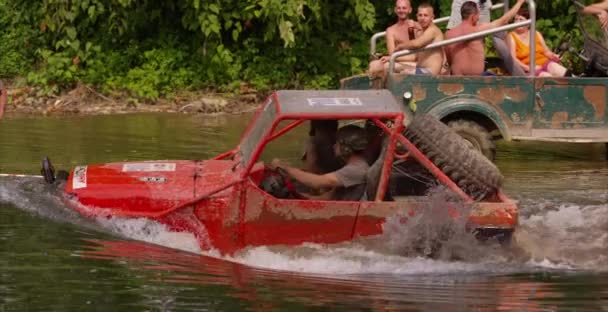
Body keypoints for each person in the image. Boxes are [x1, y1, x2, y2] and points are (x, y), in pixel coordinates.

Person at [271, 125, 369, 201]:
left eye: (338, 143)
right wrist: (294, 196)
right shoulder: (351, 168)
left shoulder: (357, 169)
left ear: (346, 148)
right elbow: (328, 198)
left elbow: (318, 182)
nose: (334, 146)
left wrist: (287, 168)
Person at [445, 0, 526, 76]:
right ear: (473, 17)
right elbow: (504, 20)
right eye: (478, 15)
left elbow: (449, 60)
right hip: (477, 80)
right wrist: (519, 2)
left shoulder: (449, 34)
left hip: (456, 79)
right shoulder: (478, 30)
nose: (479, 17)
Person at [507, 9, 569, 77]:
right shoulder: (512, 36)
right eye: (516, 19)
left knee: (559, 70)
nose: (517, 22)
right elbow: (513, 59)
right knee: (547, 77)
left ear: (528, 23)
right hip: (529, 68)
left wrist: (553, 55)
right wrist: (529, 68)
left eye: (520, 20)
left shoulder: (536, 33)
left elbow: (546, 52)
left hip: (544, 62)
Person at [368, 0, 418, 79]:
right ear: (395, 10)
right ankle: (377, 90)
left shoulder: (416, 26)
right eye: (399, 8)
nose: (401, 10)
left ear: (410, 9)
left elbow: (416, 55)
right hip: (398, 62)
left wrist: (391, 58)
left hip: (416, 63)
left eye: (404, 8)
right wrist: (392, 58)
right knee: (374, 65)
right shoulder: (391, 30)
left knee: (386, 66)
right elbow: (392, 53)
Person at [395, 3, 445, 75]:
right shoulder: (421, 33)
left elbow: (416, 44)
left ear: (432, 17)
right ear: (417, 16)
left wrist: (400, 46)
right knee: (389, 66)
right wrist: (392, 57)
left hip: (430, 72)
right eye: (420, 15)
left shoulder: (433, 30)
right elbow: (414, 55)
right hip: (419, 69)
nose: (422, 18)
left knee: (403, 73)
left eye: (426, 15)